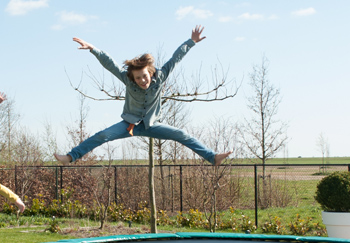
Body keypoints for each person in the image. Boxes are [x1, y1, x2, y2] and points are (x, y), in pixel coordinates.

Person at [54, 25, 232, 165]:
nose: (142, 81)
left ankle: (212, 157)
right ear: (133, 78)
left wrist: (191, 41)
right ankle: (70, 157)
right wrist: (93, 49)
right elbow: (110, 64)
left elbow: (175, 58)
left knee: (181, 134)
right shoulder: (128, 80)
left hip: (152, 125)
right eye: (138, 78)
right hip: (129, 124)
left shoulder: (160, 77)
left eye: (145, 76)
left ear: (151, 73)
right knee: (102, 135)